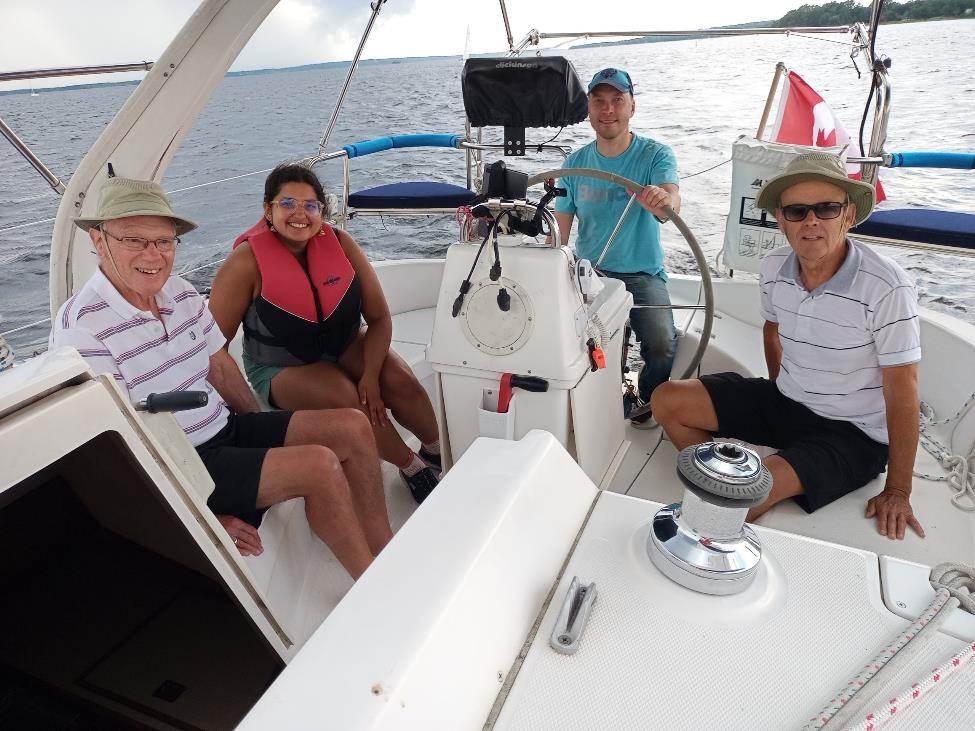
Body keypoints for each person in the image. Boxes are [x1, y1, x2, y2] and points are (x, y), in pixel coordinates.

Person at [50, 177, 393, 580]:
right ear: (98, 239)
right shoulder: (82, 327)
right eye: (134, 241)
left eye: (163, 242)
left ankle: (385, 546)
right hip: (188, 461)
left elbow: (220, 367)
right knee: (318, 465)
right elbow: (112, 449)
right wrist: (203, 513)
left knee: (351, 425)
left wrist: (259, 429)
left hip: (226, 429)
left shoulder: (178, 292)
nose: (153, 255)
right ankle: (374, 582)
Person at [651, 152, 924, 540]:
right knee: (666, 401)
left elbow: (903, 388)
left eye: (827, 208)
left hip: (853, 434)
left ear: (848, 215)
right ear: (781, 220)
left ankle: (742, 490)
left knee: (744, 497)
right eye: (796, 211)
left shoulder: (887, 286)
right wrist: (782, 393)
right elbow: (771, 330)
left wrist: (898, 490)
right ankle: (721, 476)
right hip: (787, 401)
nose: (811, 221)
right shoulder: (774, 267)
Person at [207, 163, 441, 503]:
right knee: (348, 399)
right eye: (287, 203)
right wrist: (241, 412)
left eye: (310, 205)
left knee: (400, 379)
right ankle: (411, 466)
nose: (299, 214)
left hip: (343, 345)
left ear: (322, 212)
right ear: (267, 210)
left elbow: (378, 318)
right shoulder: (245, 264)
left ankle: (435, 451)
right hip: (281, 366)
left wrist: (372, 376)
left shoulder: (341, 243)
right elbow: (214, 347)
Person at [552, 67, 681, 425]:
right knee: (573, 343)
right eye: (599, 101)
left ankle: (647, 400)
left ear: (632, 107)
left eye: (617, 101)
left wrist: (660, 199)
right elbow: (559, 233)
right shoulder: (574, 164)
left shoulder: (655, 155)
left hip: (643, 274)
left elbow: (671, 208)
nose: (608, 109)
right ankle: (596, 403)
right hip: (592, 275)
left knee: (661, 345)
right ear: (589, 109)